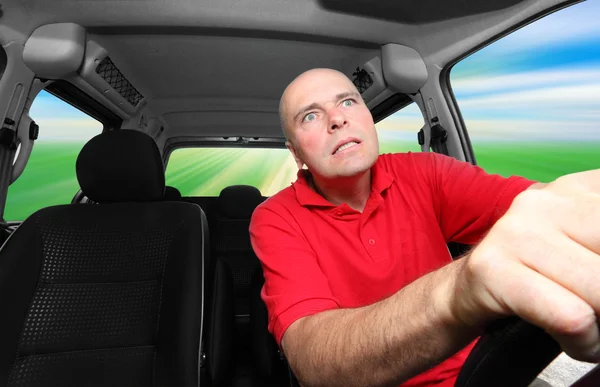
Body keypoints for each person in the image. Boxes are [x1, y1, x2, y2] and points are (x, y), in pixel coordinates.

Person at [249, 68, 600, 387]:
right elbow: (314, 361)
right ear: (296, 155)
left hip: (485, 373)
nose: (337, 118)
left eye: (348, 101)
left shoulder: (426, 172)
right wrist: (457, 292)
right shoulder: (276, 218)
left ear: (369, 118)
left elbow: (544, 205)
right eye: (311, 115)